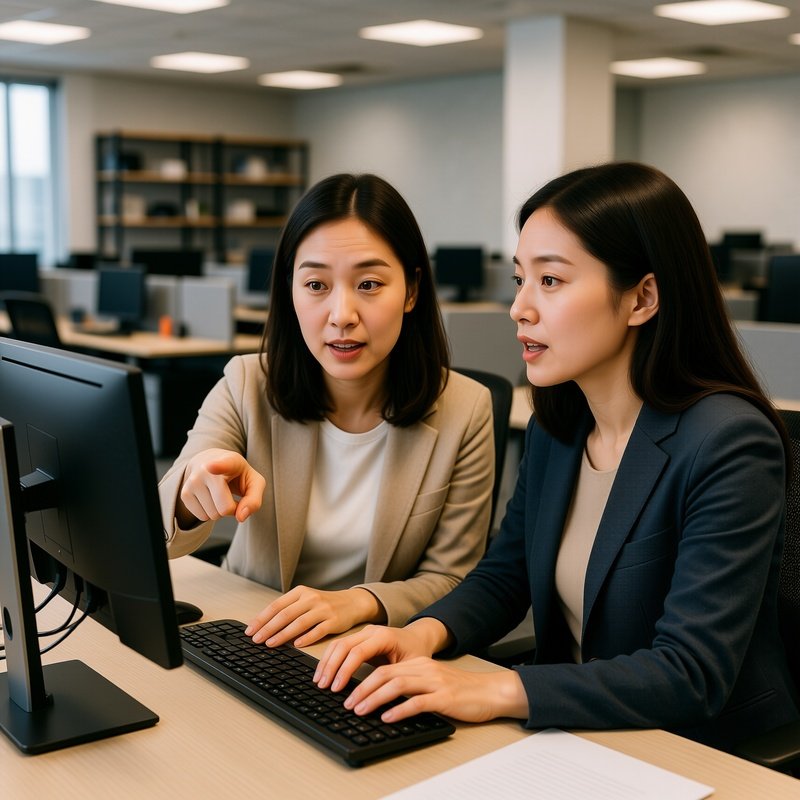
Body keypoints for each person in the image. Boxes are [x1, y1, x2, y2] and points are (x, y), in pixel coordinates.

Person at [313, 162, 800, 753]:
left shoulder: (728, 442)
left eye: (551, 281)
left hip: (696, 748)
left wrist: (495, 692)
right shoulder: (560, 423)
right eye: (520, 279)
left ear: (642, 297)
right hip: (569, 737)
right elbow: (505, 575)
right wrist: (421, 634)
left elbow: (690, 673)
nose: (520, 308)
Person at [159, 173, 494, 648]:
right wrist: (191, 495)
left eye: (370, 284)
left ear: (412, 291)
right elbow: (161, 529)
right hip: (249, 631)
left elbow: (451, 578)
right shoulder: (246, 382)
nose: (341, 314)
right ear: (290, 292)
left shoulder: (465, 409)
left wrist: (359, 602)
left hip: (368, 650)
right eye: (316, 284)